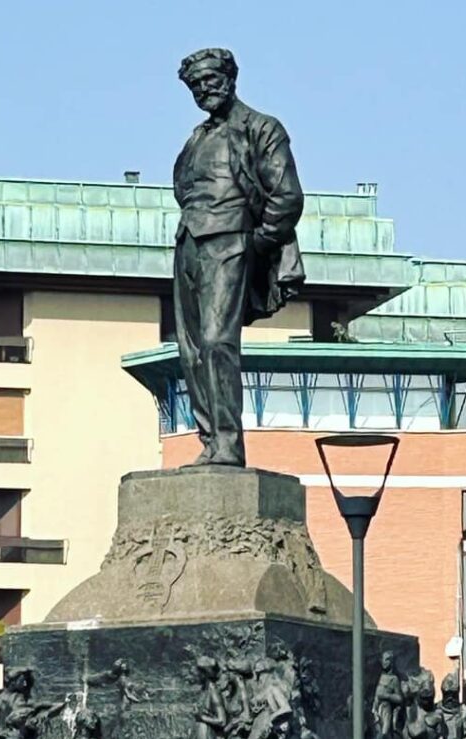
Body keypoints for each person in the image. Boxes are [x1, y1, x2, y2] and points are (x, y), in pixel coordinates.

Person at [173, 47, 304, 466]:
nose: (203, 91)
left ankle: (229, 443)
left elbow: (286, 196)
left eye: (209, 81)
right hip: (189, 245)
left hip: (232, 243)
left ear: (230, 78)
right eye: (195, 86)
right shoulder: (196, 137)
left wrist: (255, 244)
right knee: (191, 350)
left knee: (217, 342)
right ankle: (210, 441)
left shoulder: (261, 128)